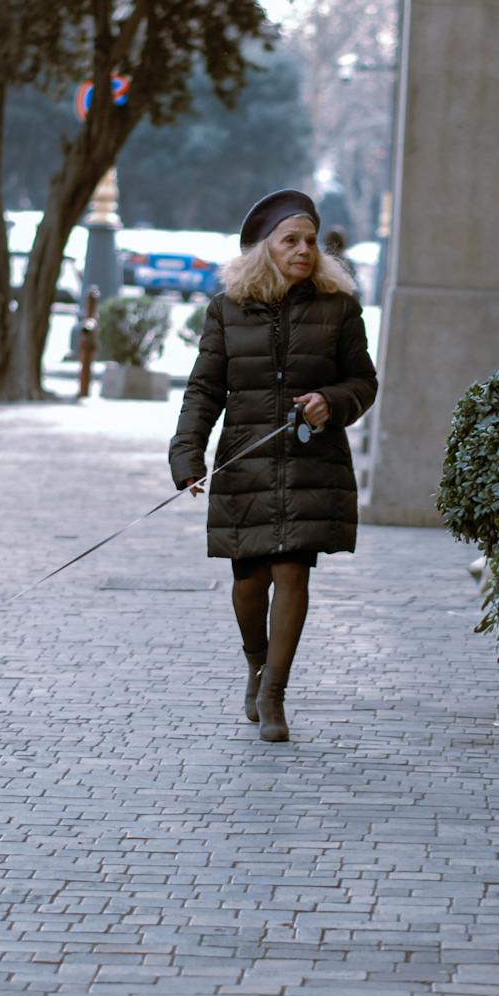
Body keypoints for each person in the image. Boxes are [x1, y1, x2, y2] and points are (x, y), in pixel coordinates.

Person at [169, 188, 379, 743]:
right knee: (248, 581)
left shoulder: (340, 308)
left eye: (311, 240)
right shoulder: (227, 310)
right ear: (267, 248)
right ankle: (256, 663)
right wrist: (187, 454)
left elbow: (364, 382)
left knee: (292, 571)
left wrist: (332, 401)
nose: (305, 249)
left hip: (312, 461)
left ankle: (274, 693)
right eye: (292, 240)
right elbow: (204, 389)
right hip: (246, 462)